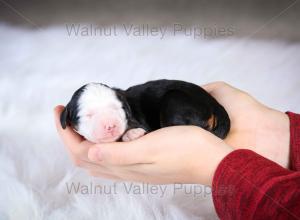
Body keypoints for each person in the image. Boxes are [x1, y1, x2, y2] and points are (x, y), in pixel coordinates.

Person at [54, 82, 300, 219]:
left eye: (114, 110)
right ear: (70, 121)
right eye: (89, 116)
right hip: (190, 106)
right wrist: (281, 134)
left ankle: (197, 128)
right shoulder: (106, 113)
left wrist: (209, 162)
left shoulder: (131, 113)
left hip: (182, 102)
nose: (108, 123)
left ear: (124, 105)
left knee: (171, 106)